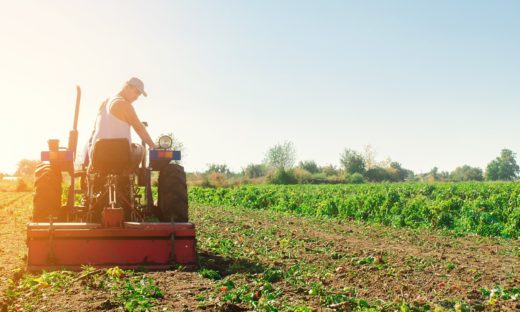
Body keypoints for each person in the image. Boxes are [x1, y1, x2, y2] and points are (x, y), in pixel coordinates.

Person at [83, 77, 158, 169]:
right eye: (137, 92)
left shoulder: (104, 102)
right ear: (127, 87)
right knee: (141, 149)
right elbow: (139, 129)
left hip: (97, 154)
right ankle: (129, 175)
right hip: (119, 154)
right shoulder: (124, 104)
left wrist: (91, 158)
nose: (137, 97)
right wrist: (153, 145)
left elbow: (95, 129)